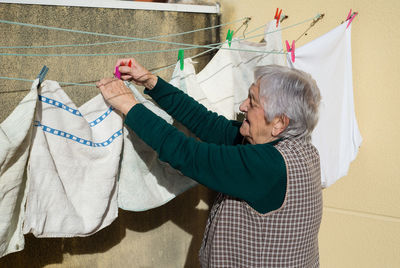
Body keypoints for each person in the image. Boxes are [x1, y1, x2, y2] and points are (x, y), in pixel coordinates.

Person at [96, 58, 323, 268]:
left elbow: (189, 155)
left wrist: (129, 106)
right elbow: (209, 124)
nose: (242, 106)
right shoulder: (300, 149)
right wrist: (152, 82)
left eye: (252, 102)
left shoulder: (268, 166)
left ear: (279, 123)